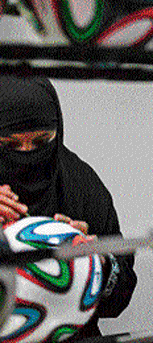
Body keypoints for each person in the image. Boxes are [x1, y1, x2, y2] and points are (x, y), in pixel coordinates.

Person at [0, 77, 137, 340]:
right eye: (10, 145)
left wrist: (96, 262)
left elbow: (121, 295)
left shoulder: (80, 184)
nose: (27, 154)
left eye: (41, 142)